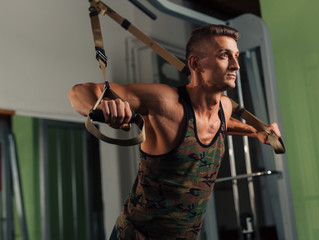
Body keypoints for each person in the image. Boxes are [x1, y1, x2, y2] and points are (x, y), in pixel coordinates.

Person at [68, 24, 281, 240]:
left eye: (236, 55)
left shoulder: (224, 108)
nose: (236, 65)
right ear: (195, 63)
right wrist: (102, 106)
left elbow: (223, 123)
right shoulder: (165, 103)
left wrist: (255, 132)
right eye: (224, 55)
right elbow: (78, 93)